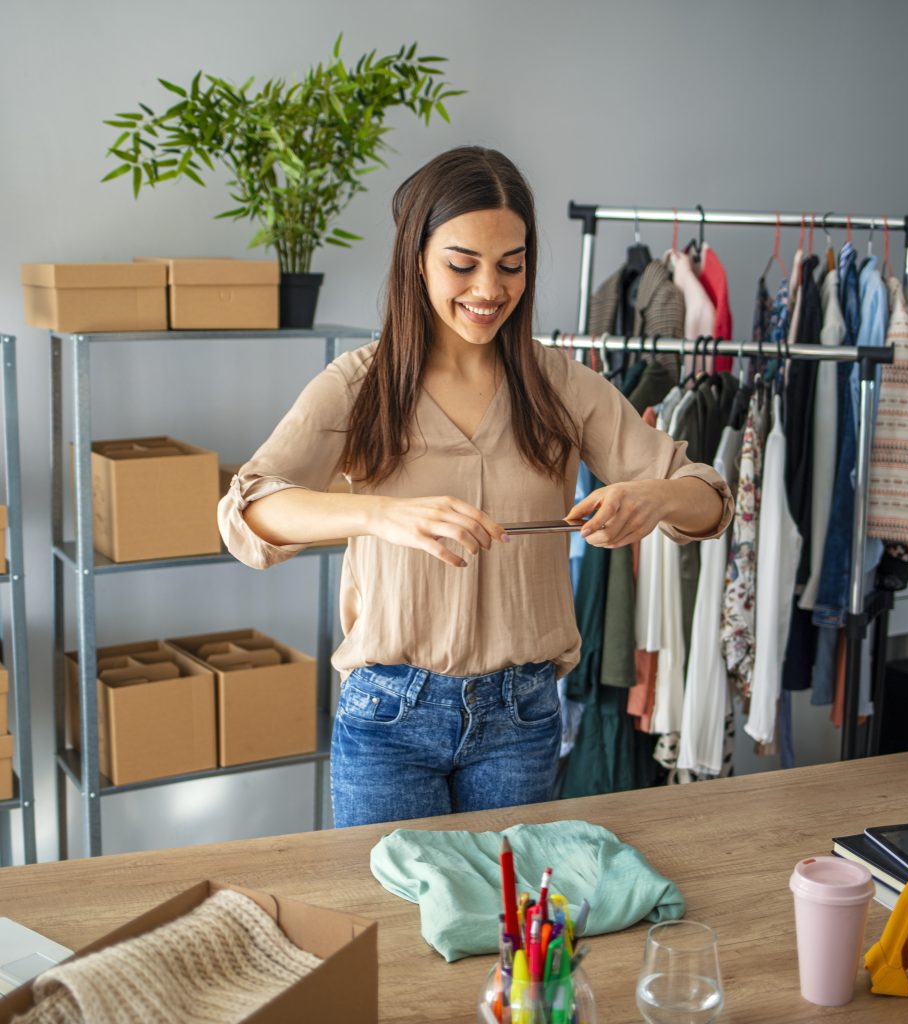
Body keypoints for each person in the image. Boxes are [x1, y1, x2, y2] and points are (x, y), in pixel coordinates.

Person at [218, 146, 734, 828]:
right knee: (396, 928)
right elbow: (250, 510)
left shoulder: (561, 385)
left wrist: (655, 498)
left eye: (510, 266)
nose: (489, 289)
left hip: (521, 716)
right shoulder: (358, 385)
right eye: (463, 265)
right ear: (417, 260)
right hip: (389, 716)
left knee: (510, 927)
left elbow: (709, 494)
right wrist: (379, 516)